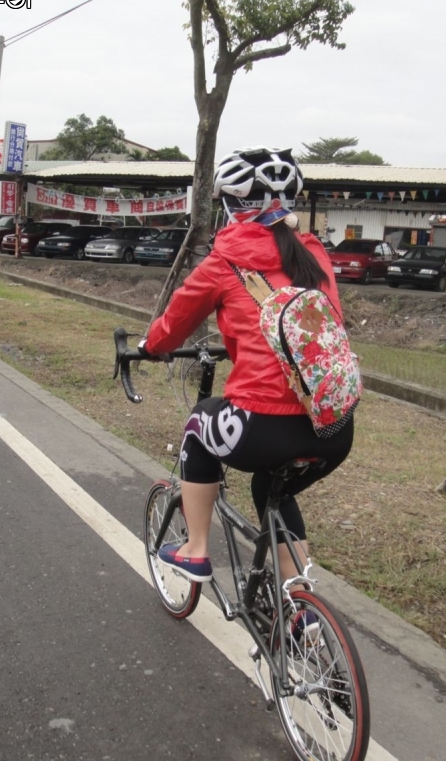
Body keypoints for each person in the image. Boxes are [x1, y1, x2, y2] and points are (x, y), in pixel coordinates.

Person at [142, 147, 355, 586]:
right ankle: (300, 609)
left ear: (231, 205)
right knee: (271, 488)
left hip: (262, 426)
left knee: (200, 424)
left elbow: (174, 325)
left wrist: (150, 346)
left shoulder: (224, 262)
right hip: (334, 426)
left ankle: (196, 550)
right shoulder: (314, 255)